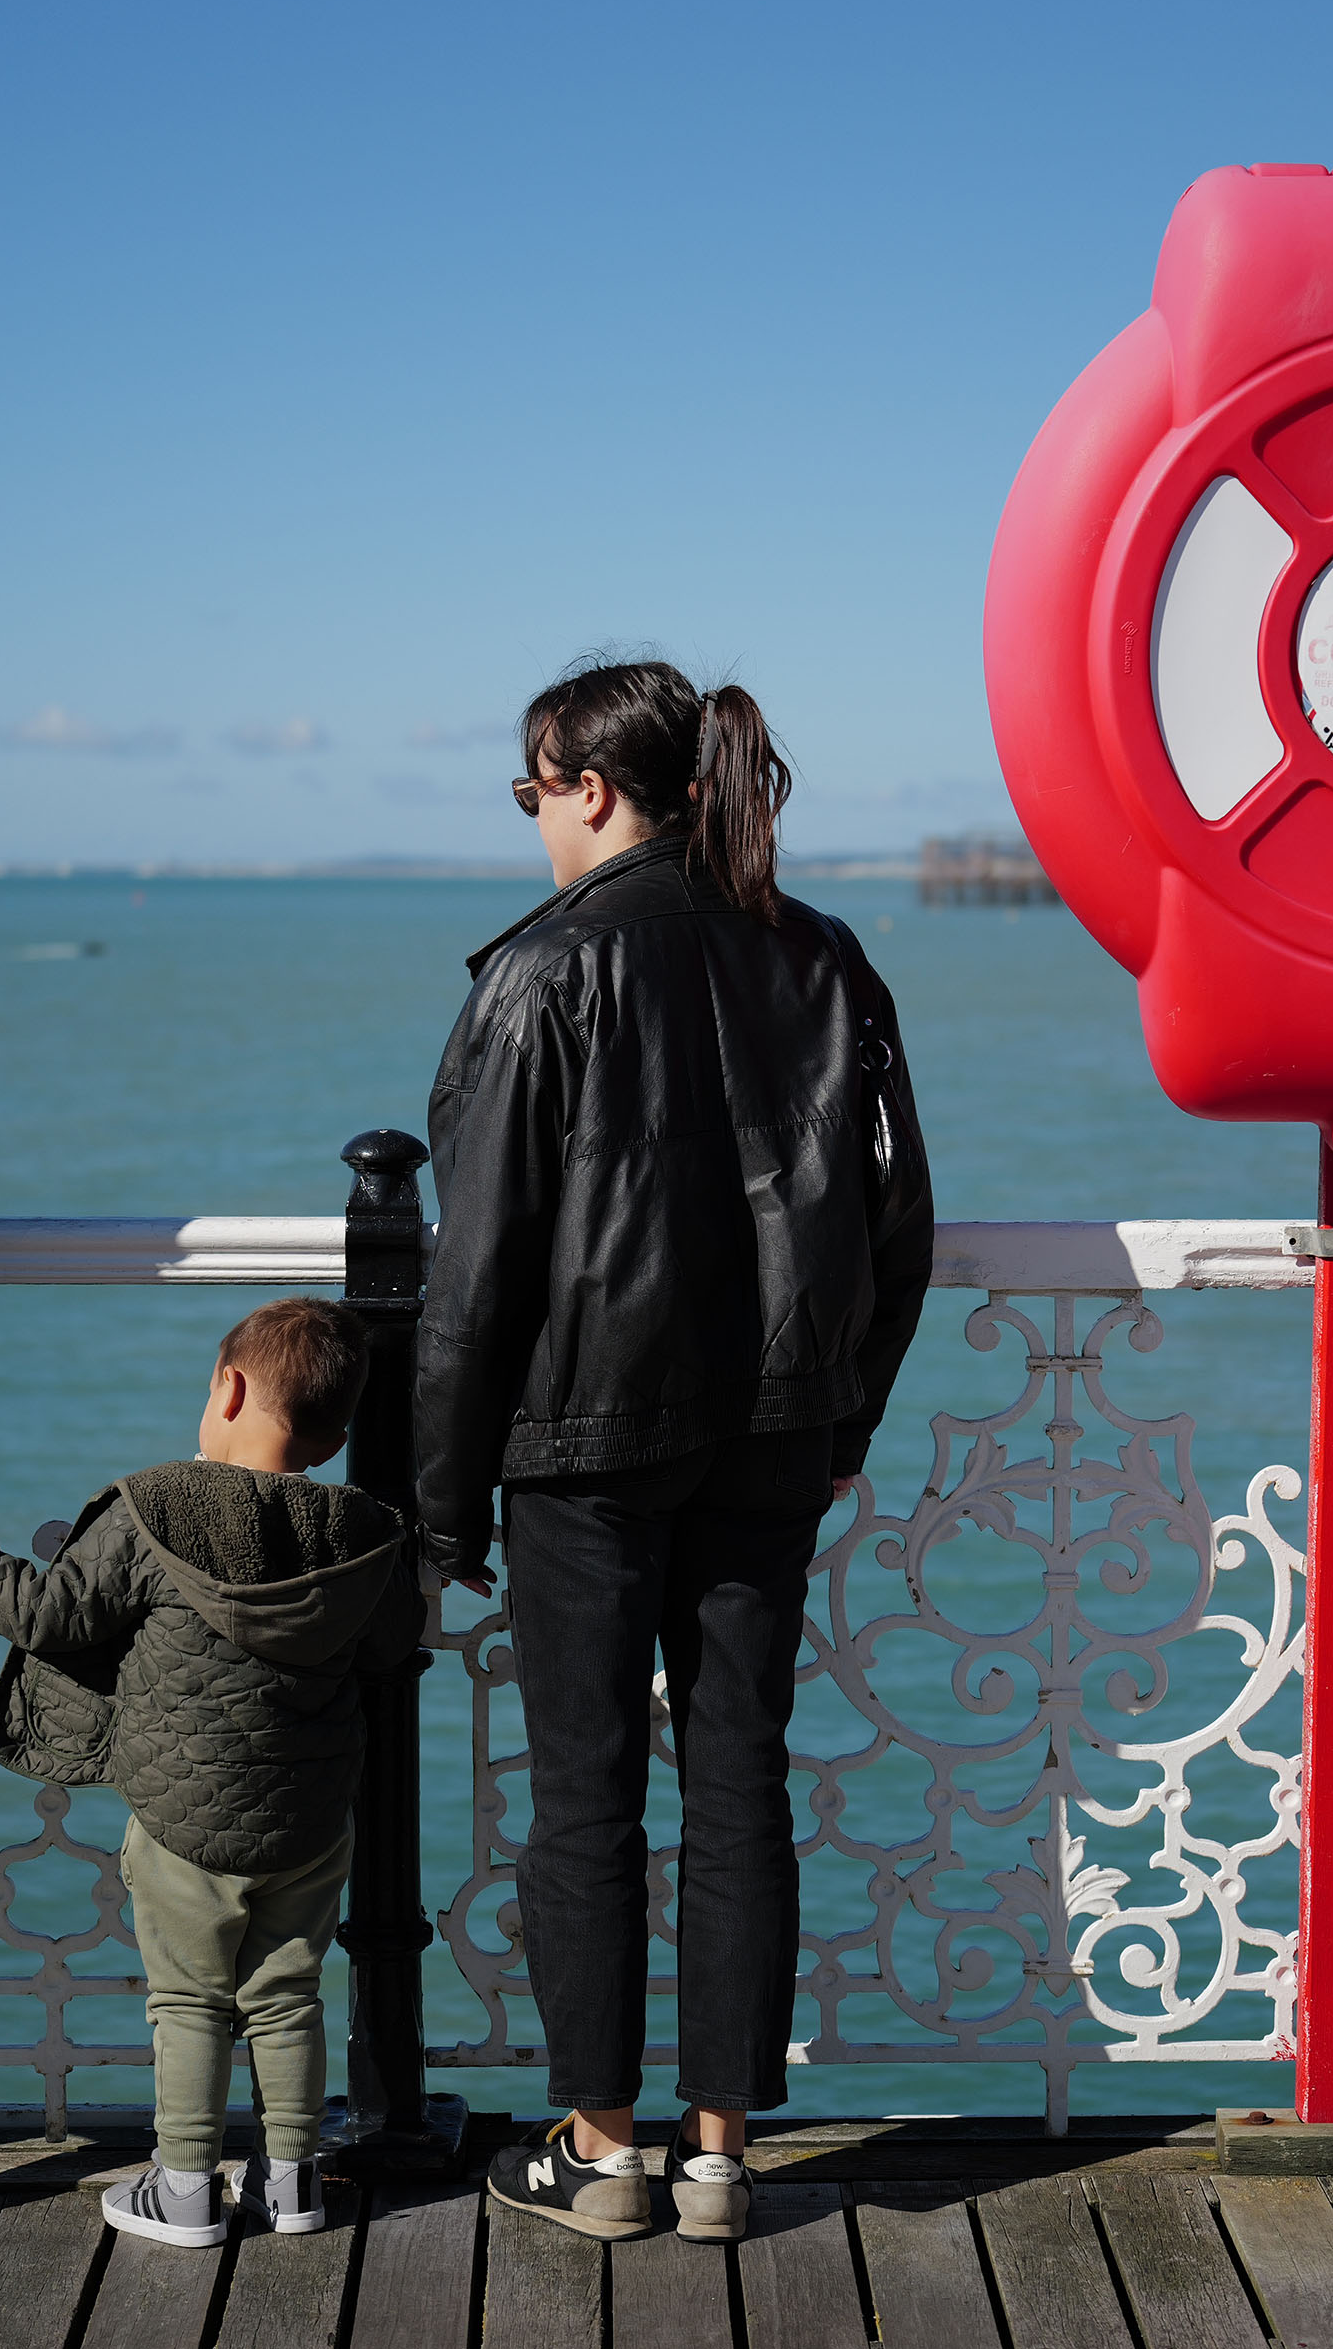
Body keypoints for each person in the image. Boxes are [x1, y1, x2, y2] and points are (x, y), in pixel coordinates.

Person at [417, 658, 935, 2243]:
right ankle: (718, 2157)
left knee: (585, 1798)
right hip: (775, 1433)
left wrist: (439, 1509)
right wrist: (844, 1417)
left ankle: (603, 2153)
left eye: (533, 792)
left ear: (592, 788)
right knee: (739, 1781)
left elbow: (476, 1272)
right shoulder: (820, 956)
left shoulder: (546, 970)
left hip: (585, 1442)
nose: (534, 821)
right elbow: (898, 1223)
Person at [0, 1299, 419, 2251]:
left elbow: (50, 1615)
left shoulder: (159, 1510)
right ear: (337, 1436)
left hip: (183, 1819)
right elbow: (392, 1647)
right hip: (309, 1817)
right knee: (287, 1994)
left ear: (229, 1387)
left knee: (189, 2001)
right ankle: (294, 2182)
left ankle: (184, 2188)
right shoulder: (361, 1533)